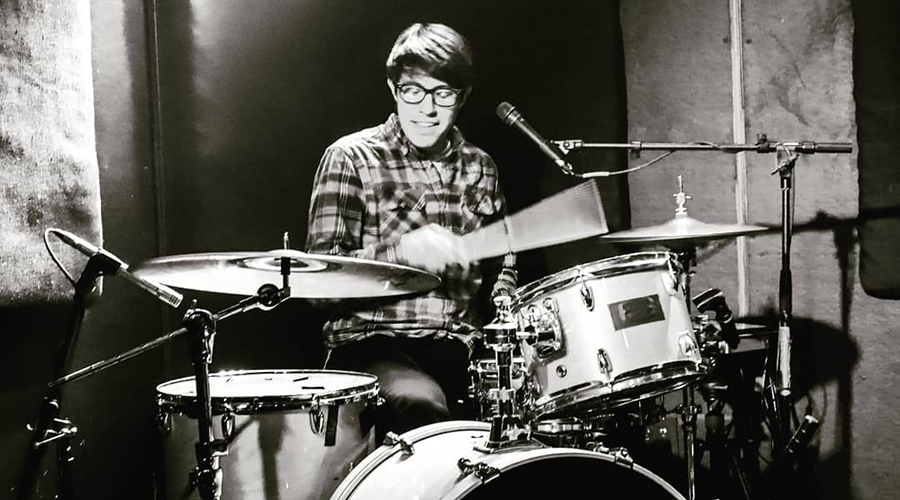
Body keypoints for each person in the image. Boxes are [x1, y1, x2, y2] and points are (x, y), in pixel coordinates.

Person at [305, 22, 517, 443]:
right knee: (421, 406)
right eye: (413, 91)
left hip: (463, 350)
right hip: (374, 346)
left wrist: (509, 302)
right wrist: (402, 252)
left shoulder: (481, 167)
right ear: (393, 88)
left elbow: (503, 262)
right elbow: (316, 283)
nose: (427, 109)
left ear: (464, 96)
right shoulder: (351, 157)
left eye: (443, 94)